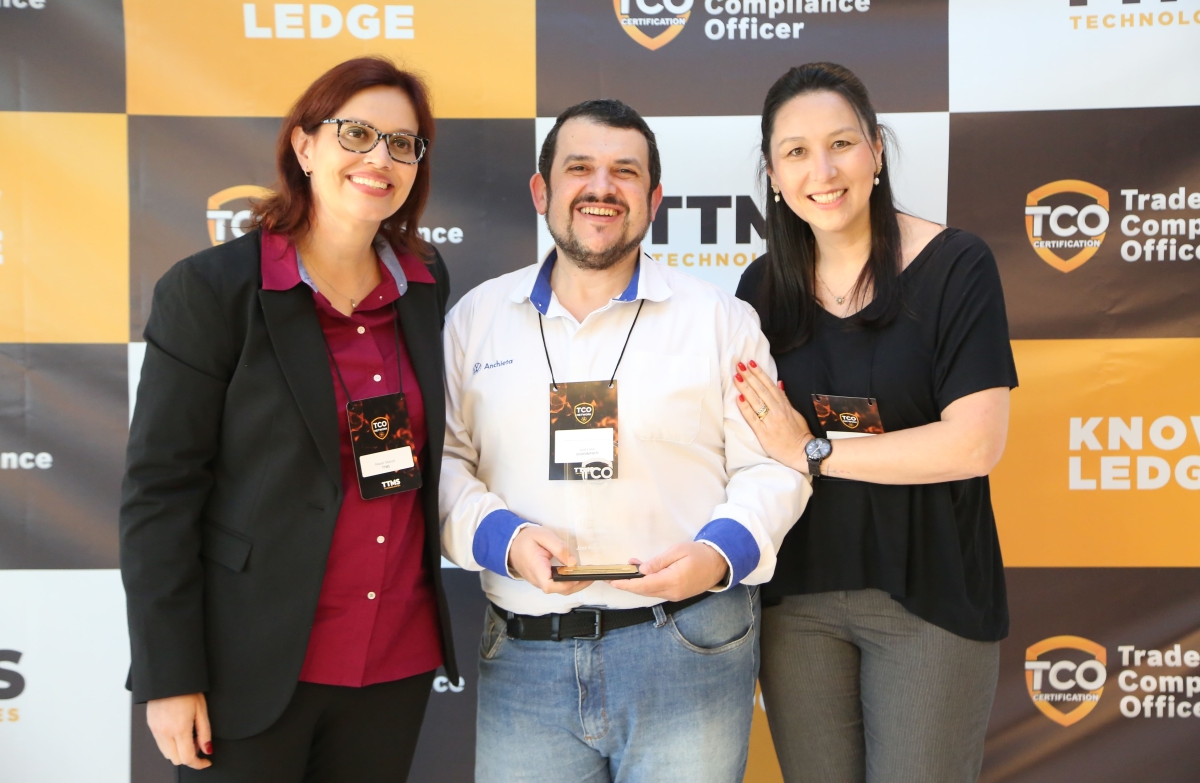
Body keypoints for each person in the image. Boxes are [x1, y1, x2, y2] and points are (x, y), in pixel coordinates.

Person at [439, 99, 809, 782]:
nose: (602, 187)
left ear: (654, 199)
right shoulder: (475, 320)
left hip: (686, 644)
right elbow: (443, 464)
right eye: (580, 167)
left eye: (626, 172)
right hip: (525, 657)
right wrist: (504, 540)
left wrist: (716, 556)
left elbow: (774, 468)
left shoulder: (720, 320)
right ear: (541, 190)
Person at [120, 57, 456, 782]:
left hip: (394, 662)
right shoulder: (212, 291)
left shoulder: (425, 283)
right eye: (356, 134)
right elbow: (159, 494)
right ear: (304, 146)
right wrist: (168, 676)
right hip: (249, 665)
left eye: (402, 144)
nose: (379, 159)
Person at [732, 62, 1016, 783]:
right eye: (796, 152)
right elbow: (743, 445)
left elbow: (975, 443)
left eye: (842, 144)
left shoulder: (956, 266)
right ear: (773, 173)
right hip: (796, 599)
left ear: (877, 150)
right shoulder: (758, 290)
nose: (822, 171)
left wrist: (813, 451)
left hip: (930, 596)